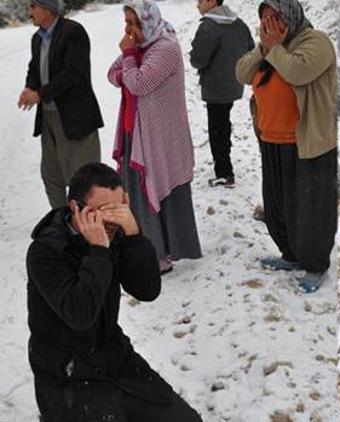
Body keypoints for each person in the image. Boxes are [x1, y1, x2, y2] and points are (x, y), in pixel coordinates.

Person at [26, 163, 202, 422]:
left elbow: (147, 290)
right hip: (65, 373)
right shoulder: (45, 252)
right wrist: (98, 251)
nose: (111, 220)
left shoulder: (117, 232)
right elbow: (79, 314)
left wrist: (133, 236)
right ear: (75, 207)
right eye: (100, 211)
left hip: (112, 355)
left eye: (117, 209)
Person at [236, 0, 338, 293]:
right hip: (271, 139)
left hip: (307, 144)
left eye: (274, 17)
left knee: (310, 210)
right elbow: (242, 73)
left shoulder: (316, 42)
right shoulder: (268, 47)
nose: (267, 25)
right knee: (280, 205)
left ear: (290, 17)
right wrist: (264, 48)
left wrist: (275, 48)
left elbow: (298, 72)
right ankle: (291, 255)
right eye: (263, 19)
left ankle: (316, 264)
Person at [107, 0, 202, 273]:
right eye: (126, 23)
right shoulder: (141, 47)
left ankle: (161, 253)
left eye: (133, 24)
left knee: (157, 189)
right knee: (136, 194)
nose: (129, 30)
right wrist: (130, 60)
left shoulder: (165, 48)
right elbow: (112, 75)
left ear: (147, 22)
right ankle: (147, 249)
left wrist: (128, 58)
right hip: (135, 132)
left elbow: (138, 83)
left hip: (159, 138)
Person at [18, 0, 103, 209]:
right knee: (51, 177)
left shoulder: (73, 32)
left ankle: (91, 226)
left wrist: (39, 94)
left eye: (33, 6)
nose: (30, 12)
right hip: (48, 117)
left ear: (47, 9)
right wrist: (30, 88)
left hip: (75, 118)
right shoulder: (37, 39)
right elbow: (34, 70)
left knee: (84, 178)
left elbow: (72, 72)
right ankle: (63, 222)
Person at [190, 0, 254, 188]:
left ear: (212, 2)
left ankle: (224, 173)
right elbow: (250, 49)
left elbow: (197, 60)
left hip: (215, 88)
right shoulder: (239, 23)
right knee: (223, 124)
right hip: (234, 84)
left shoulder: (209, 26)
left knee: (217, 129)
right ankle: (225, 166)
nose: (197, 5)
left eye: (200, 1)